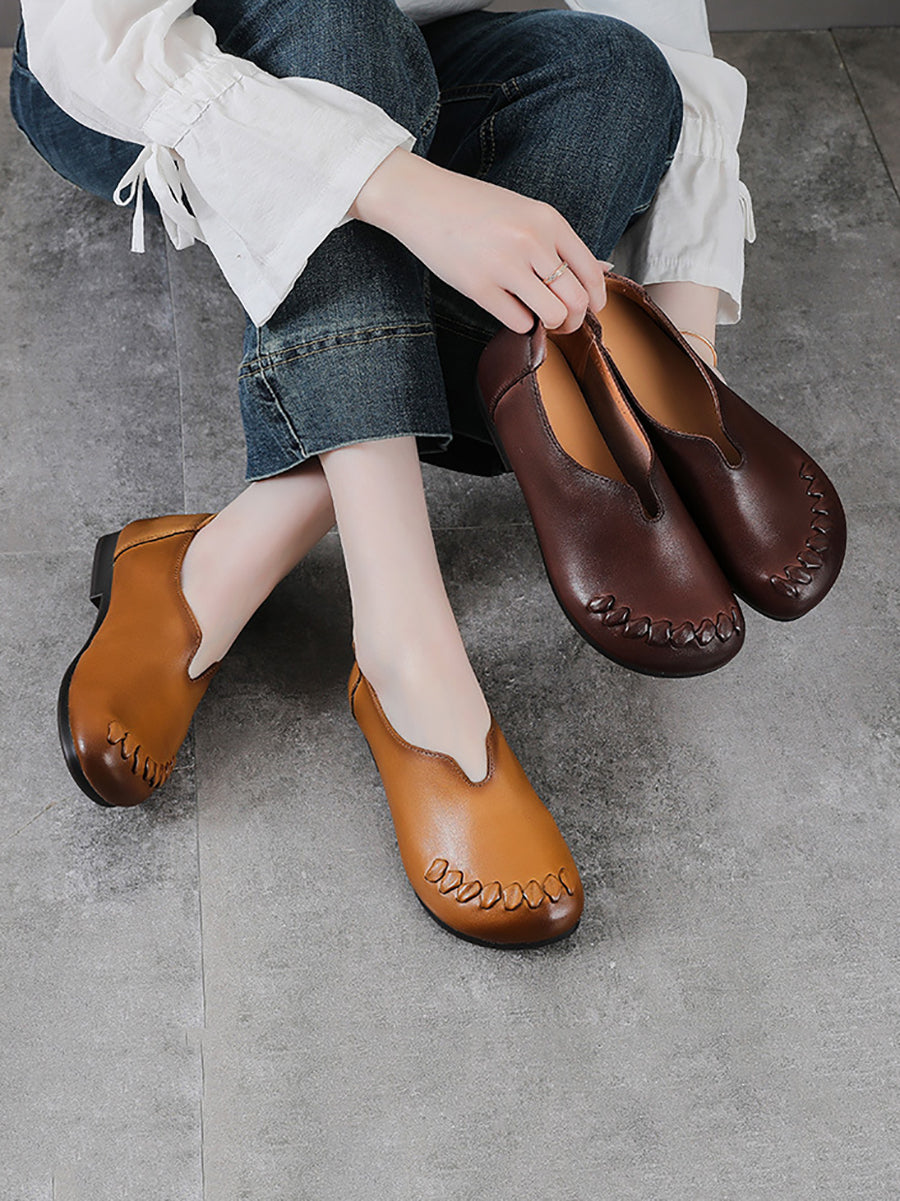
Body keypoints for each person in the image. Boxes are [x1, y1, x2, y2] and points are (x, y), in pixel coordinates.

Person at [10, 0, 757, 947]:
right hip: (136, 72)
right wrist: (410, 194)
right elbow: (91, 40)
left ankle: (233, 551)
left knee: (622, 79)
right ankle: (407, 643)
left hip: (417, 58)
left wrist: (682, 356)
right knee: (336, 26)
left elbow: (663, 30)